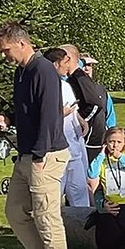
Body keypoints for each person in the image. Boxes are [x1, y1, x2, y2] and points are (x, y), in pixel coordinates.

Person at [0, 22, 71, 249]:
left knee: (46, 216)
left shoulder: (44, 70)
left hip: (45, 155)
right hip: (26, 155)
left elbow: (51, 115)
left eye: (6, 51)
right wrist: (9, 118)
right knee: (15, 211)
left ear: (22, 44)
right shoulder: (21, 72)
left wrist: (40, 153)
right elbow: (27, 110)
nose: (5, 56)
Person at [45, 47, 91, 210]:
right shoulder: (45, 85)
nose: (68, 65)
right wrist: (60, 113)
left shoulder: (65, 85)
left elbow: (73, 108)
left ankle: (81, 228)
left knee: (79, 190)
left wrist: (80, 120)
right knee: (55, 193)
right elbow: (42, 114)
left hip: (74, 145)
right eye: (66, 62)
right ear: (56, 64)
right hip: (57, 149)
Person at [70, 51, 111, 167]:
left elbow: (108, 113)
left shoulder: (100, 89)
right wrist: (82, 122)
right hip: (82, 139)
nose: (87, 68)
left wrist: (112, 133)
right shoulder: (71, 86)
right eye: (84, 65)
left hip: (99, 141)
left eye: (90, 65)